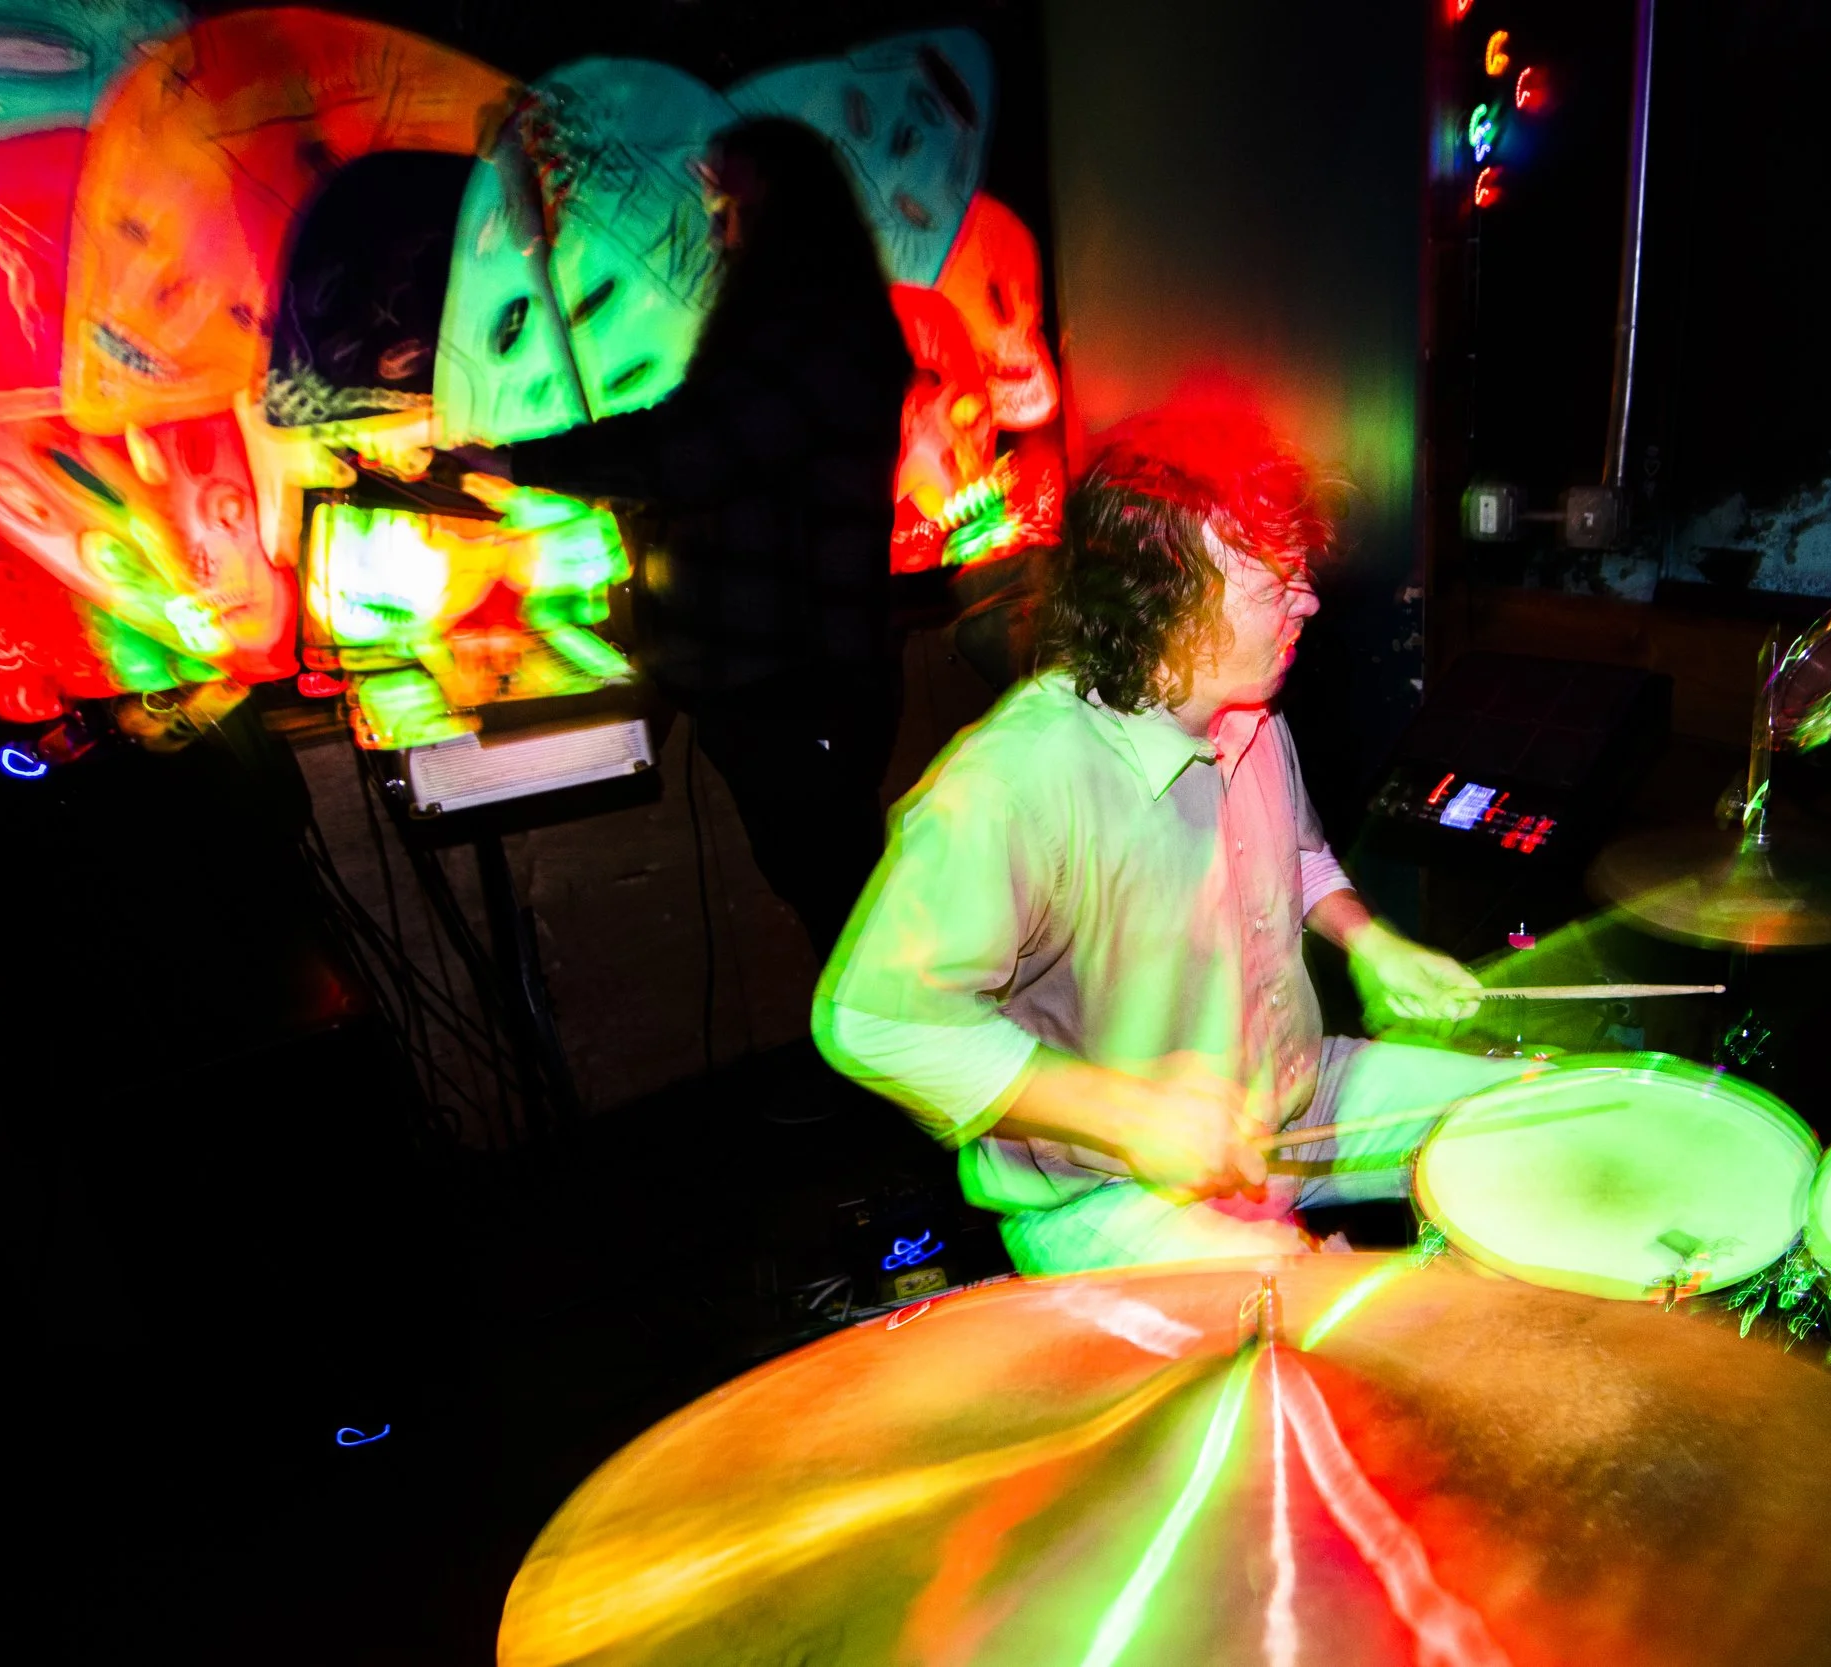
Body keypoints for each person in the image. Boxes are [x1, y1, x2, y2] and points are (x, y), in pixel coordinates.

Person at [813, 400, 1531, 1273]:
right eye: (1272, 583)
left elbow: (1296, 857)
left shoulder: (1252, 715)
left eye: (1298, 570)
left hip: (1297, 1101)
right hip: (1109, 1190)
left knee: (1539, 1116)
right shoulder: (1016, 783)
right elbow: (872, 1020)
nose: (1307, 598)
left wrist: (1370, 941)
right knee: (1325, 1341)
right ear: (1162, 607)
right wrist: (1128, 1112)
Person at [500, 118, 911, 955]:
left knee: (852, 923)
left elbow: (693, 452)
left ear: (781, 211)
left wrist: (517, 461)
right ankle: (888, 1073)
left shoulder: (814, 328)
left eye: (729, 204)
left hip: (799, 684)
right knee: (839, 909)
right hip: (786, 680)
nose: (718, 227)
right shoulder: (807, 318)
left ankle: (905, 1081)